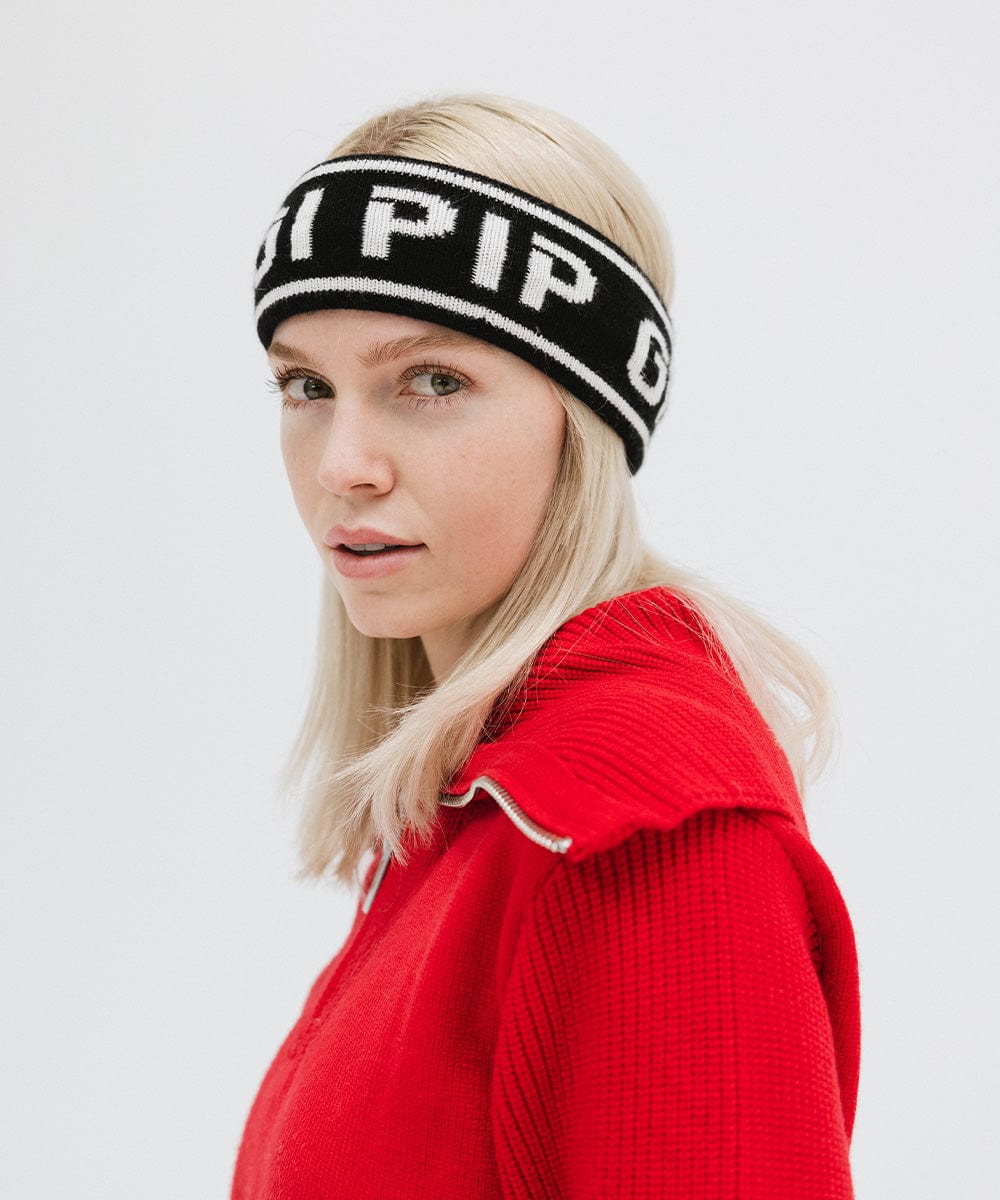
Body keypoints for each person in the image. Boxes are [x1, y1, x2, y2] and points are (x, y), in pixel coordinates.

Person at [231, 92, 861, 1199]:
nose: (342, 462)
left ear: (588, 418)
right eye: (306, 386)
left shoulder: (646, 833)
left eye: (432, 382)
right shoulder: (489, 806)